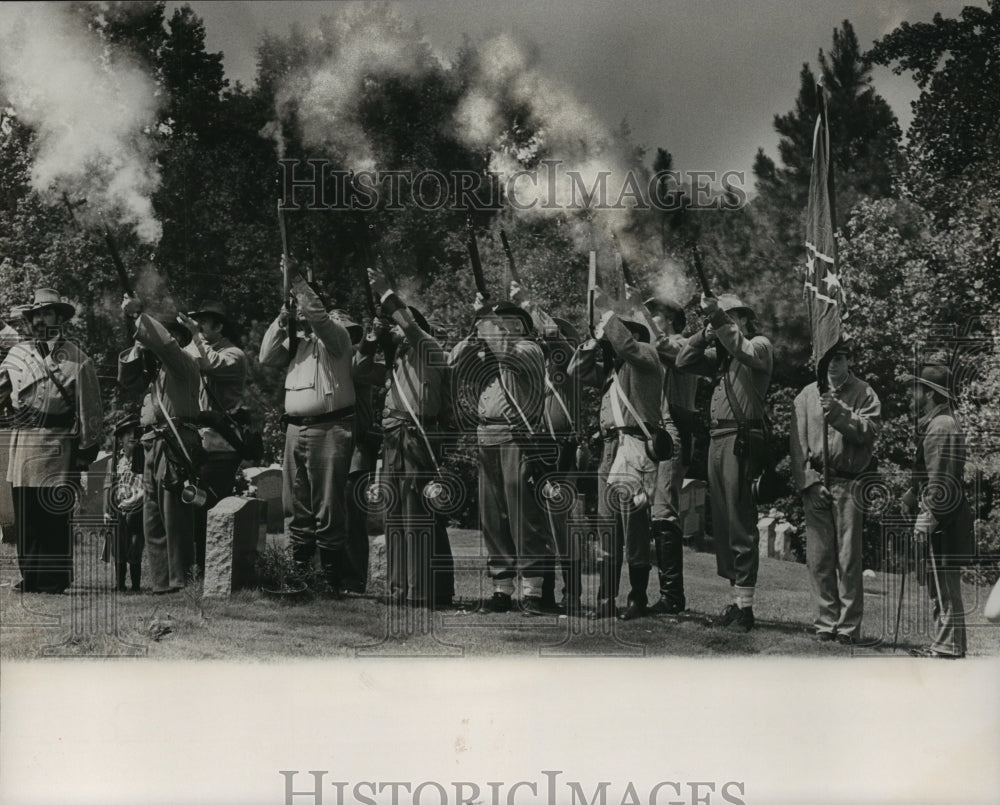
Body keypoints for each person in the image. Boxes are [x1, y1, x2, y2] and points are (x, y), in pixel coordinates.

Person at [450, 294, 556, 616]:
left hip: (516, 436)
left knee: (523, 514)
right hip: (487, 435)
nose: (497, 327)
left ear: (516, 325)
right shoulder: (489, 352)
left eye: (502, 321)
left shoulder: (528, 349)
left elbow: (507, 352)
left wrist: (485, 318)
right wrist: (474, 334)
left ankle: (532, 591)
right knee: (492, 516)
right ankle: (501, 589)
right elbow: (452, 361)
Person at [677, 293, 773, 632]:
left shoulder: (759, 345)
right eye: (722, 316)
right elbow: (683, 362)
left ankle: (745, 608)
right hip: (718, 439)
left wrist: (716, 317)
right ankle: (736, 601)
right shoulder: (720, 356)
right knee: (722, 522)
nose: (724, 322)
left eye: (731, 317)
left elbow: (741, 349)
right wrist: (704, 334)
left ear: (744, 320)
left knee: (740, 519)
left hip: (741, 438)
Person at [258, 260, 355, 594]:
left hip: (328, 429)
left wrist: (298, 282)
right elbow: (265, 356)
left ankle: (330, 579)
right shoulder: (295, 346)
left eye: (302, 307)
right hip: (295, 431)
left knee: (328, 505)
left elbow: (319, 319)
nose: (300, 313)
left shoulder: (336, 338)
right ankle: (298, 573)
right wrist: (281, 321)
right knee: (295, 505)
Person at [571, 287, 664, 620]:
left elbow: (626, 344)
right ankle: (606, 600)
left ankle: (637, 598)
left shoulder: (648, 357)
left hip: (634, 447)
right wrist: (594, 343)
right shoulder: (613, 373)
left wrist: (606, 312)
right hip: (610, 449)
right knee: (608, 527)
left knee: (635, 530)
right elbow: (576, 372)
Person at [0, 288, 102, 593]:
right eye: (36, 315)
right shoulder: (17, 354)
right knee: (27, 514)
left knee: (52, 515)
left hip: (57, 444)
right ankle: (31, 575)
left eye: (47, 313)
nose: (40, 320)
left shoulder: (77, 359)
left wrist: (86, 452)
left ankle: (55, 578)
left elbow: (91, 410)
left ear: (59, 318)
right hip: (23, 442)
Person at [367, 269, 455, 607]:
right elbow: (361, 370)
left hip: (418, 437)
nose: (392, 328)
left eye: (394, 324)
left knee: (417, 514)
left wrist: (386, 294)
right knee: (395, 515)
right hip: (393, 438)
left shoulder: (427, 347)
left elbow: (410, 327)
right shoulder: (397, 362)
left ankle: (420, 591)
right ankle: (399, 589)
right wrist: (371, 339)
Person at [789, 338, 881, 644]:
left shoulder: (864, 392)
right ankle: (826, 622)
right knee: (819, 558)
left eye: (840, 358)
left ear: (849, 360)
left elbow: (869, 433)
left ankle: (847, 627)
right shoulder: (805, 396)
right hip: (816, 484)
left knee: (848, 558)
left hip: (849, 482)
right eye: (829, 359)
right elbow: (797, 445)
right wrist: (810, 483)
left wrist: (839, 413)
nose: (834, 364)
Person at [510, 280, 584, 615]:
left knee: (561, 526)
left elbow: (554, 333)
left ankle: (572, 595)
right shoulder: (537, 369)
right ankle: (544, 595)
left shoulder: (571, 362)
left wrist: (528, 302)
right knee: (536, 523)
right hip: (538, 447)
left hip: (562, 448)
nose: (546, 339)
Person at [119, 296, 202, 594]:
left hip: (174, 441)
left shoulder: (184, 363)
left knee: (174, 516)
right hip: (152, 442)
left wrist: (138, 315)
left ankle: (180, 581)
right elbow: (126, 380)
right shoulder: (155, 373)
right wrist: (138, 344)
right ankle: (161, 582)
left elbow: (165, 345)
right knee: (152, 517)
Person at [902, 362, 974, 658]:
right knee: (938, 583)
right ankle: (945, 645)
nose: (910, 394)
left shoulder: (941, 425)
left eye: (915, 388)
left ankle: (948, 648)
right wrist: (910, 494)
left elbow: (942, 480)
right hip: (944, 515)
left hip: (945, 517)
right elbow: (928, 469)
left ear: (929, 393)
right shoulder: (936, 422)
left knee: (945, 586)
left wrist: (927, 516)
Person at [176, 302, 248, 573]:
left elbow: (210, 364)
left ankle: (216, 567)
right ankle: (199, 565)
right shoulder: (199, 347)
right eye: (197, 323)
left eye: (203, 323)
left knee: (215, 504)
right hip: (200, 440)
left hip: (221, 443)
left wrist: (194, 336)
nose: (198, 327)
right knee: (196, 501)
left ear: (219, 327)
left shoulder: (234, 354)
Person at [638, 292, 698, 615]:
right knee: (653, 512)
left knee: (664, 511)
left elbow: (664, 347)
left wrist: (636, 308)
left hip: (672, 431)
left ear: (670, 320)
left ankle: (673, 597)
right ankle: (663, 595)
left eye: (655, 315)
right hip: (656, 433)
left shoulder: (684, 344)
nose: (650, 321)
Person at [344, 308, 381, 596]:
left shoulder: (358, 360)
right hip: (334, 449)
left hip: (356, 450)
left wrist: (371, 339)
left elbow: (357, 368)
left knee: (352, 517)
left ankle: (353, 579)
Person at [102, 413, 145, 592]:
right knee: (118, 548)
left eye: (135, 433)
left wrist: (139, 497)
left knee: (135, 547)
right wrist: (105, 510)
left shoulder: (144, 459)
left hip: (138, 509)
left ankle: (135, 585)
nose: (132, 437)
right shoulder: (115, 462)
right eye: (127, 433)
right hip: (118, 509)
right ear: (120, 439)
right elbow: (107, 487)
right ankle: (119, 584)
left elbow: (148, 485)